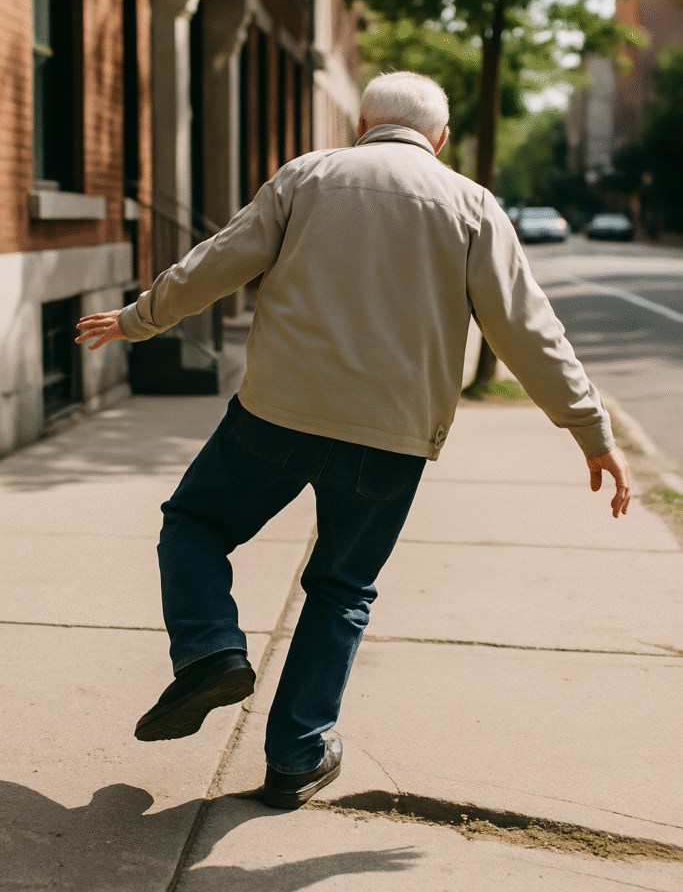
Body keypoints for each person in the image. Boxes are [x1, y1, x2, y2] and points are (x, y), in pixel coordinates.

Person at [75, 71, 630, 810]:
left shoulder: (310, 176)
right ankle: (295, 757)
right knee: (340, 590)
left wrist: (138, 319)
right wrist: (589, 430)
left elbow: (217, 261)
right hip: (391, 436)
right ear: (439, 138)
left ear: (361, 123)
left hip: (275, 414)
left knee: (195, 525)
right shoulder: (472, 205)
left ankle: (210, 648)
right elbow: (527, 330)